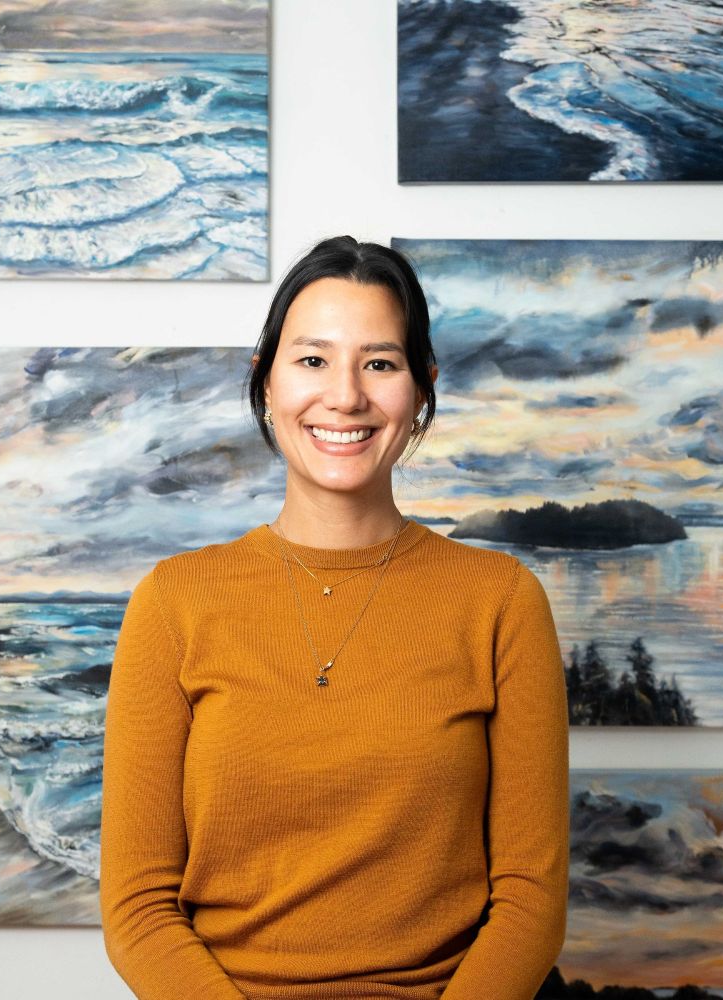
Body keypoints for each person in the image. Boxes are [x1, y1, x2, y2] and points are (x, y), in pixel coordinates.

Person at [99, 235, 570, 999]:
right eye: (313, 359)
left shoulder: (501, 600)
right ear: (267, 381)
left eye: (379, 363)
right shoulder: (174, 600)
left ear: (422, 389)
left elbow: (531, 902)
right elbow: (137, 908)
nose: (345, 396)